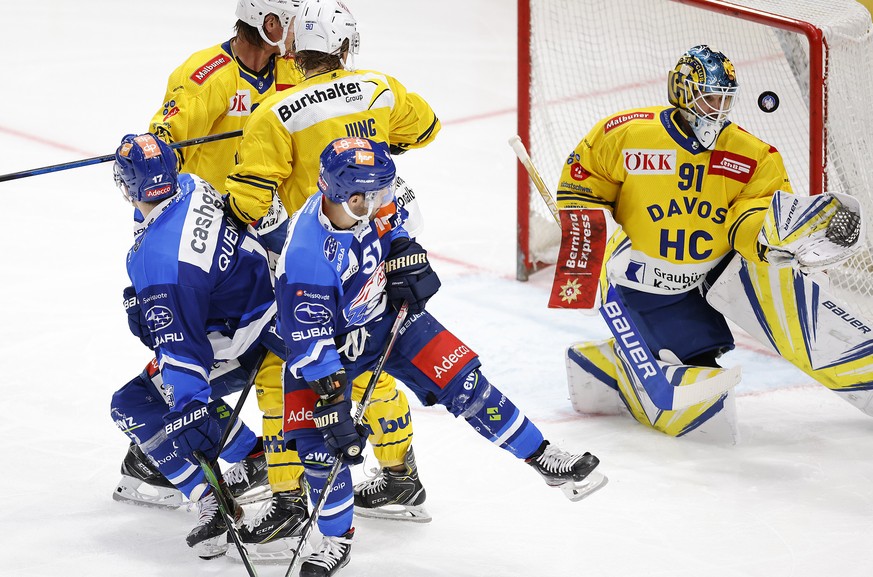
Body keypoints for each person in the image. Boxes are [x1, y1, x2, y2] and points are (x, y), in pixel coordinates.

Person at [276, 136, 606, 577]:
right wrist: (333, 404)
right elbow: (310, 345)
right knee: (320, 450)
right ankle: (336, 539)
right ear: (341, 195)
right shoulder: (306, 258)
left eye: (382, 194)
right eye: (368, 198)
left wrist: (403, 253)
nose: (380, 204)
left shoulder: (372, 198)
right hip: (324, 348)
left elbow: (396, 228)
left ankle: (542, 455)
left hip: (386, 319)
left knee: (466, 383)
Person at [224, 0, 439, 522]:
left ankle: (291, 500)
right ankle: (399, 477)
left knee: (284, 370)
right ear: (346, 47)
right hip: (386, 243)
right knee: (370, 362)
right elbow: (426, 127)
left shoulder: (275, 112)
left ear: (292, 49)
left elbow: (248, 199)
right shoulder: (380, 86)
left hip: (320, 256)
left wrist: (271, 229)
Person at [557, 45, 805, 441]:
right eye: (708, 95)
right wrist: (585, 270)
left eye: (725, 98)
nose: (717, 107)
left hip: (696, 289)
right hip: (636, 282)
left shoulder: (752, 155)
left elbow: (755, 214)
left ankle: (606, 360)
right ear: (682, 91)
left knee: (703, 360)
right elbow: (580, 190)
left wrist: (771, 239)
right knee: (707, 415)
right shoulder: (628, 134)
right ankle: (614, 368)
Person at [109, 132, 299, 558]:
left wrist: (188, 406)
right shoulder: (194, 183)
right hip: (272, 306)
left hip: (248, 338)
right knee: (173, 390)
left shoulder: (157, 260)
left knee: (135, 403)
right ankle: (254, 456)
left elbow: (183, 351)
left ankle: (209, 499)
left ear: (126, 188)